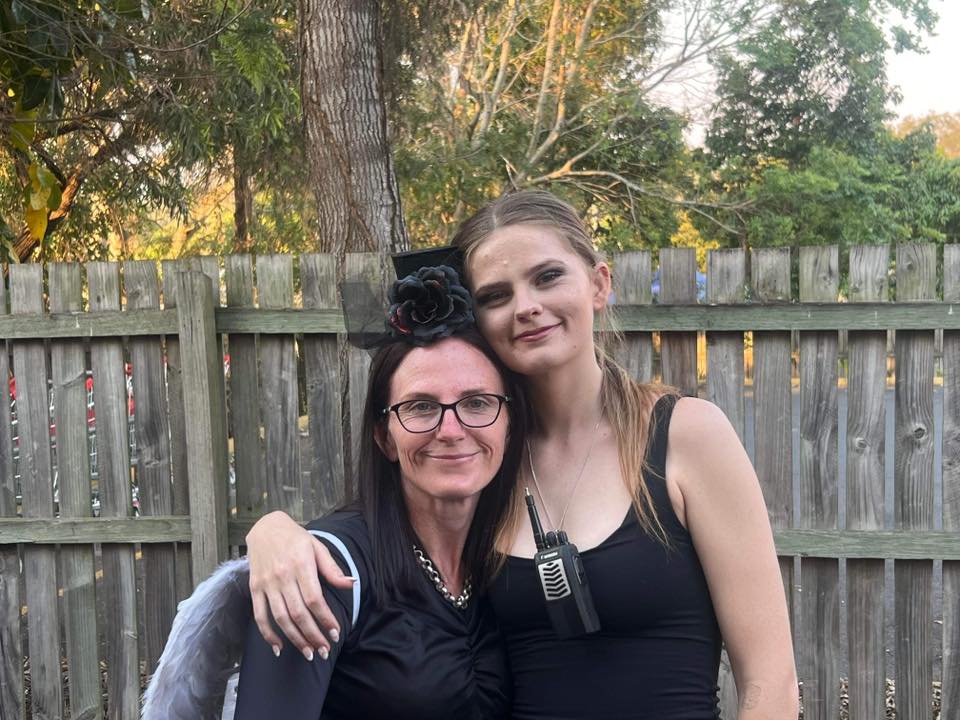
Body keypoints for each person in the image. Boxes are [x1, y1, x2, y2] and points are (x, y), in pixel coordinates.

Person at [245, 190, 799, 719]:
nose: (527, 307)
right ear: (475, 317)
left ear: (599, 284)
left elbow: (769, 680)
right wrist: (271, 532)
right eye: (495, 295)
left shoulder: (686, 437)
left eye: (548, 277)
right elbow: (384, 537)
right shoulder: (481, 459)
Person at [233, 265, 528, 719]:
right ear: (384, 437)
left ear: (509, 425)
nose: (451, 430)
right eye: (421, 407)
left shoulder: (506, 568)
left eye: (477, 403)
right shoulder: (321, 576)